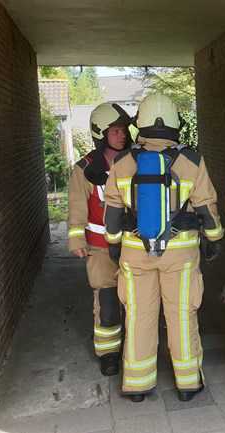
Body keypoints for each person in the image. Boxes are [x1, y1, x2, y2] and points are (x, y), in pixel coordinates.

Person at [103, 92, 224, 403]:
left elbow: (113, 211)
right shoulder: (192, 161)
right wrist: (215, 240)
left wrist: (115, 247)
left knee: (139, 315)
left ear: (140, 125)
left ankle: (138, 385)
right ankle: (188, 384)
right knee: (182, 314)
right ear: (175, 124)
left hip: (134, 253)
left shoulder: (121, 162)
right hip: (180, 255)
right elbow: (206, 208)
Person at [67, 102, 134, 377]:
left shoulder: (137, 162)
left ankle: (135, 348)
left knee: (135, 301)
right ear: (100, 133)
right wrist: (76, 240)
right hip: (101, 248)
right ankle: (109, 354)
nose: (122, 135)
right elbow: (76, 206)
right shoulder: (85, 169)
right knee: (107, 303)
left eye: (124, 130)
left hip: (133, 246)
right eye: (115, 130)